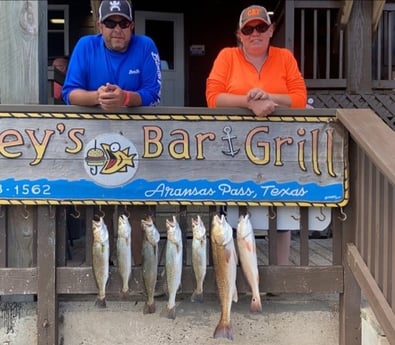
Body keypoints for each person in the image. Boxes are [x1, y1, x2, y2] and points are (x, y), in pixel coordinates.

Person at [206, 5, 307, 265]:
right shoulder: (227, 56)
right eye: (248, 29)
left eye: (261, 27)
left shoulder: (284, 57)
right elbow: (213, 97)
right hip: (234, 148)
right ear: (239, 34)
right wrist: (249, 102)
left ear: (271, 30)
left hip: (280, 148)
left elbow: (299, 98)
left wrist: (268, 97)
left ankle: (280, 275)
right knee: (235, 213)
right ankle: (237, 275)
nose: (255, 33)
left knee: (281, 211)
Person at [62, 0, 161, 110]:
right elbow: (69, 93)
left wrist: (125, 98)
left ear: (131, 26)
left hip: (136, 124)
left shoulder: (145, 46)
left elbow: (153, 95)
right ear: (100, 26)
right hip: (93, 123)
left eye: (124, 24)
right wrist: (98, 97)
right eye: (110, 24)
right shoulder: (86, 45)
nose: (118, 30)